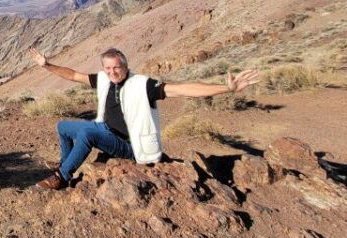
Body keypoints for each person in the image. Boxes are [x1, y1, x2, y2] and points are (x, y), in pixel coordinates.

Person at [28, 46, 260, 190]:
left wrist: (225, 89)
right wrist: (47, 65)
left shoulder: (143, 84)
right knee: (63, 127)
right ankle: (65, 162)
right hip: (107, 133)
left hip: (131, 145)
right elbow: (73, 75)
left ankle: (62, 176)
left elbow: (182, 89)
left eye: (116, 68)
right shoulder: (103, 79)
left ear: (126, 66)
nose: (112, 72)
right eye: (107, 68)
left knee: (87, 133)